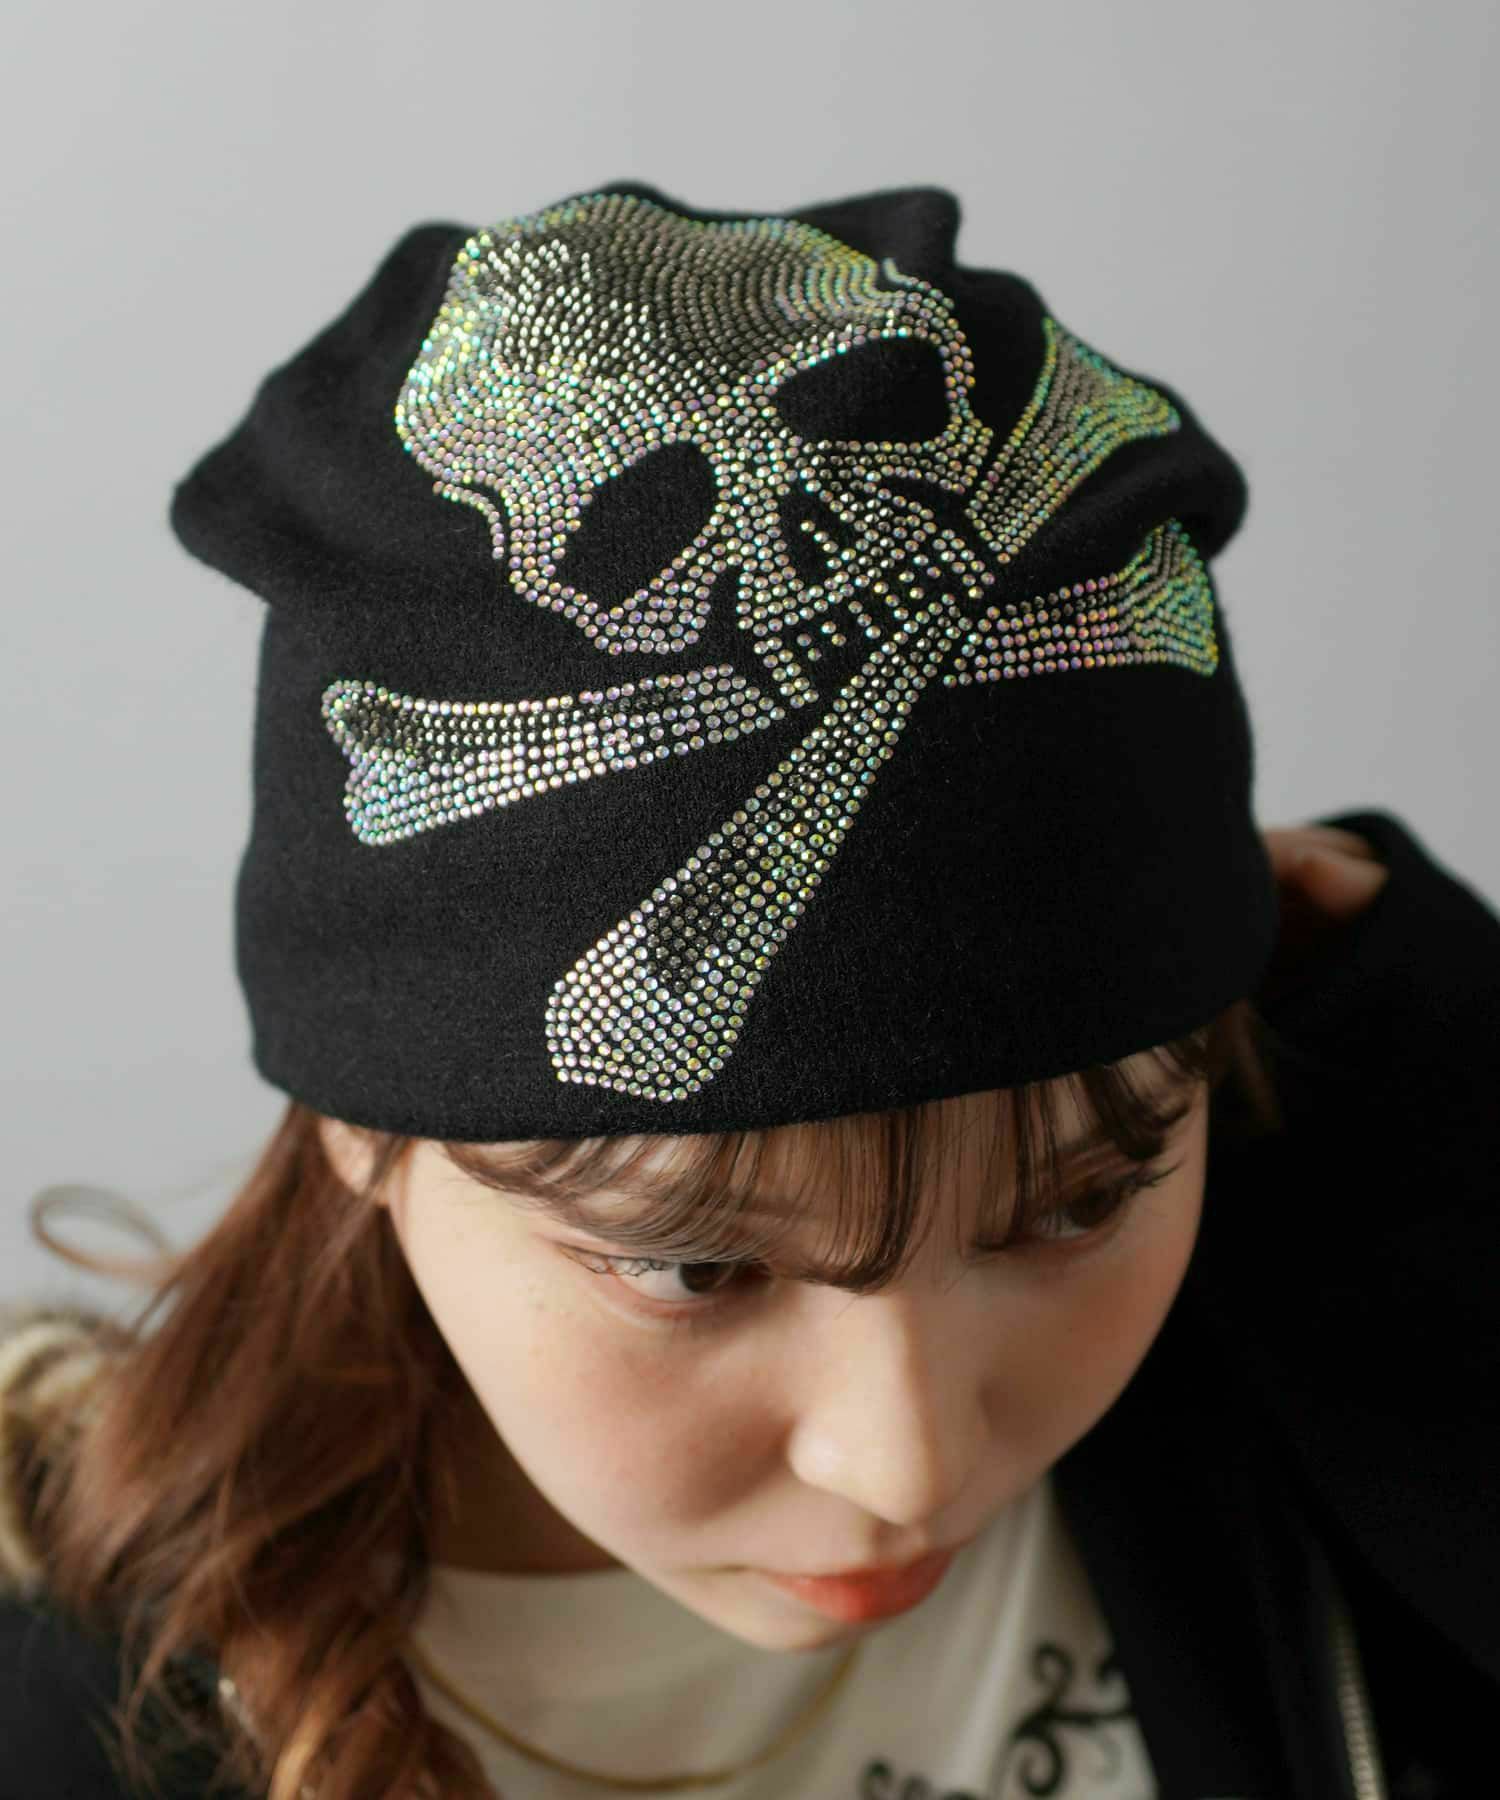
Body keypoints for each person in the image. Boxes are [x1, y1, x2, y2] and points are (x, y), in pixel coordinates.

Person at [0, 181, 1494, 1800]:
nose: (906, 1465)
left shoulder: (1349, 1359)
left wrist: (1439, 1039)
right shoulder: (55, 1727)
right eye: (698, 1266)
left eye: (1078, 1203)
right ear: (360, 1122)